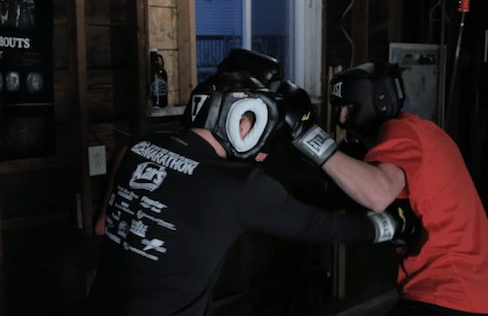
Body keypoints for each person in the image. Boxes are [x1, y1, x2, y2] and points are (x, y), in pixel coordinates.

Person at [86, 50, 418, 316]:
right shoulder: (237, 185)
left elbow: (103, 226)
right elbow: (327, 228)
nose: (261, 154)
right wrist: (391, 225)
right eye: (259, 129)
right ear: (239, 121)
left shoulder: (139, 148)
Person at [282, 61, 488, 315]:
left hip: (447, 291)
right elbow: (353, 196)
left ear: (379, 100)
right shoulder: (422, 134)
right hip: (463, 291)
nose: (342, 118)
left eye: (349, 106)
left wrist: (306, 135)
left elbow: (378, 194)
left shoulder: (400, 129)